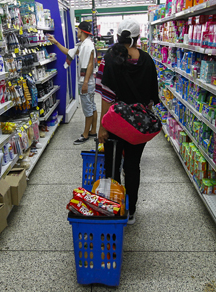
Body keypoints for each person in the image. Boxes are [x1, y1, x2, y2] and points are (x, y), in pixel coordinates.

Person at [96, 19, 159, 225]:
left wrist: (102, 127)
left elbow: (107, 95)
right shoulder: (148, 61)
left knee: (112, 166)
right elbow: (150, 99)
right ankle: (131, 211)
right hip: (137, 126)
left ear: (118, 36)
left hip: (115, 123)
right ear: (138, 37)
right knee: (133, 166)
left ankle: (115, 208)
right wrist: (141, 120)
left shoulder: (110, 59)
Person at [48, 21, 98, 145]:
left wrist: (85, 82)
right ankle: (93, 131)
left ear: (81, 31)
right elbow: (68, 52)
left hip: (86, 82)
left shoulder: (87, 46)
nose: (77, 32)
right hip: (88, 81)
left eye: (78, 30)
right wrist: (56, 42)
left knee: (88, 109)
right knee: (92, 107)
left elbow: (90, 64)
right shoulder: (83, 44)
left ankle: (85, 134)